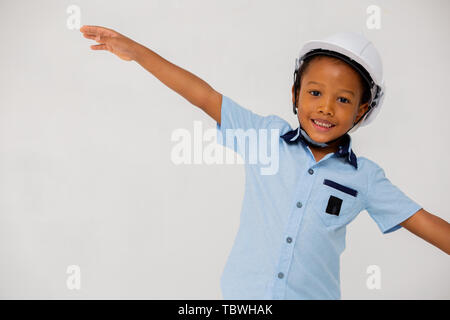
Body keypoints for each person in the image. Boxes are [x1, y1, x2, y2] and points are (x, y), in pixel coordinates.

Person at [80, 26, 450, 299]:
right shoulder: (265, 138)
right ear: (295, 94)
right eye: (316, 93)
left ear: (361, 110)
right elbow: (203, 95)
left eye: (342, 99)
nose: (324, 107)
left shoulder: (364, 178)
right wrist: (138, 53)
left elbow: (424, 223)